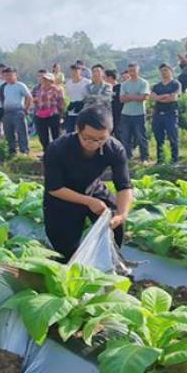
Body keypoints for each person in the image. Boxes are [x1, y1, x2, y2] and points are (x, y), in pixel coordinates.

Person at [43, 105, 133, 261]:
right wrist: (88, 201)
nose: (93, 143)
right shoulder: (58, 148)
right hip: (62, 197)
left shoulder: (115, 148)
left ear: (109, 134)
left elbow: (124, 185)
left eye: (100, 139)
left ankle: (111, 266)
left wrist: (122, 214)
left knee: (114, 224)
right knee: (66, 248)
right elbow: (54, 187)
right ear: (78, 129)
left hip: (93, 188)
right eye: (88, 137)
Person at [150, 63, 181, 164]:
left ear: (171, 71)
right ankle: (160, 160)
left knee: (173, 137)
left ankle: (175, 160)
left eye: (166, 70)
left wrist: (160, 98)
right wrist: (165, 96)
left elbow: (173, 98)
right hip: (158, 114)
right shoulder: (156, 86)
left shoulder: (175, 84)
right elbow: (153, 97)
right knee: (159, 138)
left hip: (170, 113)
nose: (164, 73)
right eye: (162, 71)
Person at [119, 63, 150, 162]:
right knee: (125, 137)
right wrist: (136, 96)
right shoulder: (124, 84)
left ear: (138, 71)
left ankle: (144, 157)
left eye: (133, 70)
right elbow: (122, 99)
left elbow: (143, 97)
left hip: (139, 114)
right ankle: (127, 157)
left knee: (141, 137)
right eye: (130, 71)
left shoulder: (143, 83)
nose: (132, 73)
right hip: (126, 114)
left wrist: (129, 96)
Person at [1, 68, 32, 155]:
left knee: (21, 132)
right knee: (8, 132)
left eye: (10, 75)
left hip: (18, 112)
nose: (8, 77)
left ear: (15, 75)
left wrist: (26, 109)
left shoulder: (20, 85)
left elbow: (29, 97)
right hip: (7, 112)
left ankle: (24, 150)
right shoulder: (5, 87)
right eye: (6, 75)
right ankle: (12, 150)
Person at [33, 72, 64, 151]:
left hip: (53, 114)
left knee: (56, 135)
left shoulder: (57, 89)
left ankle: (57, 152)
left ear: (51, 81)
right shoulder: (37, 89)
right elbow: (32, 99)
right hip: (40, 115)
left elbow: (61, 101)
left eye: (47, 80)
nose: (45, 81)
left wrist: (62, 114)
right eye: (44, 79)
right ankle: (46, 151)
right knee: (43, 136)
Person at [64, 64, 91, 133]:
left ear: (80, 71)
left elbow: (91, 96)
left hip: (84, 111)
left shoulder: (87, 82)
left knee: (82, 132)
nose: (74, 73)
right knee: (70, 132)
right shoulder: (68, 83)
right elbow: (67, 97)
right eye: (72, 71)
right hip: (72, 112)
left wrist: (82, 103)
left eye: (76, 71)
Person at [105, 69, 122, 138]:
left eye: (104, 77)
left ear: (110, 77)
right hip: (108, 115)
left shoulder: (120, 87)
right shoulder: (105, 88)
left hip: (119, 116)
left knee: (119, 135)